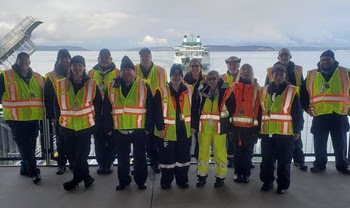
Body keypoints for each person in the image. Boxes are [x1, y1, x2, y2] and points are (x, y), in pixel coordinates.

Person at [103, 56, 153, 190]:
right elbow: (106, 108)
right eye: (124, 70)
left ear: (134, 72)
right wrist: (108, 127)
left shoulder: (144, 85)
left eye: (129, 70)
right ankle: (124, 181)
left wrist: (149, 127)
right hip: (120, 129)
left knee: (140, 158)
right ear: (120, 72)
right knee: (122, 159)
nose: (127, 73)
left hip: (139, 129)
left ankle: (141, 181)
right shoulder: (112, 86)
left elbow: (151, 108)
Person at [54, 55, 102, 191]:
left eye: (80, 65)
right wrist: (57, 121)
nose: (77, 68)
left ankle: (76, 179)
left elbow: (98, 105)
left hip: (85, 126)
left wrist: (96, 123)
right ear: (70, 67)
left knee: (81, 155)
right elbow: (56, 105)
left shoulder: (92, 83)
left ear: (84, 67)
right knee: (72, 156)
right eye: (74, 65)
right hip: (67, 126)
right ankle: (86, 178)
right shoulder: (60, 84)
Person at [301, 50, 350, 175]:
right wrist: (307, 109)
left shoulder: (345, 73)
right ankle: (319, 164)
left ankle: (342, 165)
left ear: (333, 60)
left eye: (328, 59)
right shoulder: (311, 75)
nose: (325, 61)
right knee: (319, 142)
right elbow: (303, 95)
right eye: (323, 59)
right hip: (319, 114)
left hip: (339, 114)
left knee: (340, 142)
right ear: (319, 60)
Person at [0, 52, 44, 184]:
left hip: (33, 118)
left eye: (26, 59)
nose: (24, 62)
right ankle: (34, 171)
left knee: (30, 145)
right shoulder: (5, 76)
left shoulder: (38, 77)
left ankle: (24, 168)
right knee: (24, 146)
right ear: (17, 61)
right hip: (15, 119)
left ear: (29, 61)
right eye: (21, 59)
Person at [259, 64, 304, 194]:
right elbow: (259, 111)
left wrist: (297, 130)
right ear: (272, 75)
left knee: (284, 162)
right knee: (266, 160)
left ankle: (282, 185)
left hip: (285, 133)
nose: (278, 77)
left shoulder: (291, 91)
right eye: (276, 74)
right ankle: (267, 182)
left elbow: (297, 113)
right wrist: (258, 130)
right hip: (267, 132)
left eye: (281, 74)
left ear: (285, 76)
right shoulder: (264, 90)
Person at [153, 64, 197, 190]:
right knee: (167, 160)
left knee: (183, 159)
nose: (176, 77)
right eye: (174, 75)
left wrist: (194, 126)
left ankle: (182, 180)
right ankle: (166, 181)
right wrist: (160, 128)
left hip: (184, 131)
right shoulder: (161, 91)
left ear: (182, 77)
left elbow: (195, 110)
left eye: (179, 75)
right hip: (166, 132)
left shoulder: (190, 90)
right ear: (170, 76)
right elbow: (156, 112)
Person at [265, 48, 307, 171]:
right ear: (278, 57)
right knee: (276, 141)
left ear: (290, 56)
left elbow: (303, 89)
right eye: (281, 55)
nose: (284, 57)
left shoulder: (297, 70)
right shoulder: (270, 71)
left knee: (296, 137)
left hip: (294, 106)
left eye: (286, 55)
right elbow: (266, 89)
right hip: (277, 109)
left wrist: (304, 106)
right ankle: (274, 162)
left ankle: (299, 161)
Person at [194, 70, 234, 188]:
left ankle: (220, 178)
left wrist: (229, 126)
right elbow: (196, 106)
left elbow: (232, 108)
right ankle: (201, 177)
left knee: (220, 153)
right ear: (207, 79)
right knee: (203, 153)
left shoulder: (227, 90)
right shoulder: (202, 90)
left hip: (220, 128)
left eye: (214, 79)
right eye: (209, 79)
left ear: (218, 79)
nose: (212, 81)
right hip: (204, 127)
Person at [135, 47, 167, 173]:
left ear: (151, 56)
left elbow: (166, 88)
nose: (145, 58)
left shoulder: (161, 70)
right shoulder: (134, 69)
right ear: (140, 57)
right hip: (140, 108)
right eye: (142, 56)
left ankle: (155, 161)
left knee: (155, 136)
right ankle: (139, 163)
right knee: (140, 137)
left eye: (147, 55)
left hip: (156, 107)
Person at [88, 49, 119, 175]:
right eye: (102, 57)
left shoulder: (118, 73)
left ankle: (110, 162)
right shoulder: (90, 73)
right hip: (96, 112)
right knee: (98, 139)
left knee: (112, 139)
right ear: (98, 58)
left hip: (112, 112)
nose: (104, 60)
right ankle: (101, 164)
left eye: (107, 58)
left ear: (111, 59)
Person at [44, 49, 72, 175]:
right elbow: (48, 98)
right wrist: (52, 116)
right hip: (59, 115)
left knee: (72, 141)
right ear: (58, 60)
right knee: (60, 142)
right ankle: (61, 164)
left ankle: (73, 163)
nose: (65, 61)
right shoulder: (51, 76)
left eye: (67, 58)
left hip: (73, 115)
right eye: (62, 58)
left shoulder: (75, 73)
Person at [231, 64, 260, 183]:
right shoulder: (234, 86)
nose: (246, 72)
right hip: (236, 126)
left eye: (248, 70)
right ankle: (237, 173)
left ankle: (246, 174)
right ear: (240, 72)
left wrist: (257, 128)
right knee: (237, 152)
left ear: (251, 72)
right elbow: (228, 106)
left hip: (250, 127)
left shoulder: (257, 87)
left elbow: (259, 108)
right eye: (243, 70)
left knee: (248, 153)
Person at [183, 58, 206, 160]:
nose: (195, 68)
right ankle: (185, 158)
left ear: (201, 67)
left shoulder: (206, 79)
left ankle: (199, 160)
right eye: (192, 66)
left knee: (200, 138)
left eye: (197, 66)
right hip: (187, 112)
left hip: (200, 112)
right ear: (189, 67)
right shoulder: (184, 80)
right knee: (186, 137)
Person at [221, 56, 241, 168]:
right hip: (226, 112)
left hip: (241, 111)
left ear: (239, 64)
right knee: (228, 136)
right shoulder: (221, 78)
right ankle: (230, 159)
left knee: (241, 135)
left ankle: (245, 158)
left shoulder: (245, 76)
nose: (232, 65)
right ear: (227, 65)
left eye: (235, 63)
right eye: (230, 63)